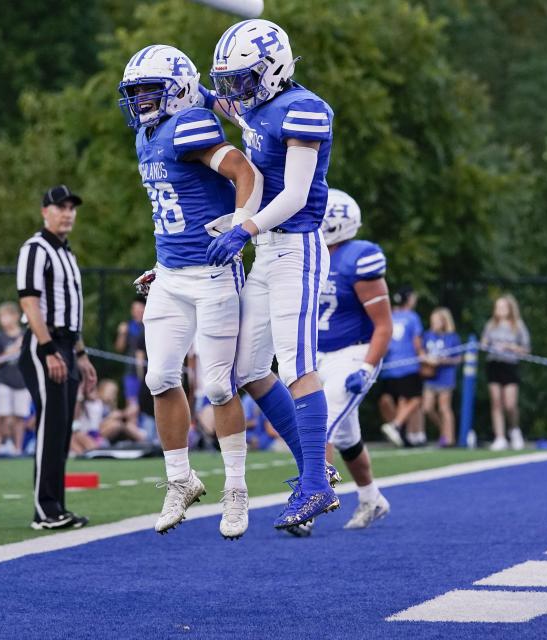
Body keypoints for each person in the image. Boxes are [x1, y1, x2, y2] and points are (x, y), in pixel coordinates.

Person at [118, 45, 261, 539]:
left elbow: (244, 171)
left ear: (177, 90)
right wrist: (162, 264)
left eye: (148, 90)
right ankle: (181, 479)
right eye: (134, 92)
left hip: (214, 272)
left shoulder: (188, 125)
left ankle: (238, 490)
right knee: (159, 377)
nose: (139, 101)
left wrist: (240, 229)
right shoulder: (146, 133)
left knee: (219, 385)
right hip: (170, 275)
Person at [206, 19, 341, 529]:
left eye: (244, 77)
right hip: (268, 250)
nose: (236, 89)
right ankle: (315, 471)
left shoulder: (303, 109)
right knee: (247, 368)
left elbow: (297, 195)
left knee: (298, 363)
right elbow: (228, 106)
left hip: (298, 248)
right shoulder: (258, 102)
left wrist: (245, 227)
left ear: (275, 68)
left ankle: (313, 486)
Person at [16, 184, 97, 531]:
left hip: (66, 345)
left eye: (71, 208)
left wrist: (80, 353)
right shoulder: (35, 249)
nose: (67, 213)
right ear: (44, 211)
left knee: (62, 429)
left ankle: (56, 506)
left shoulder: (67, 253)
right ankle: (45, 510)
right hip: (44, 345)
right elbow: (29, 301)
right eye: (59, 207)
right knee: (51, 426)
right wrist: (48, 349)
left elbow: (71, 310)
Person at [315, 188, 393, 530]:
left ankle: (313, 502)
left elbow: (384, 325)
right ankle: (371, 499)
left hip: (353, 354)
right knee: (346, 438)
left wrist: (365, 367)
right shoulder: (310, 254)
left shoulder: (359, 258)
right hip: (318, 355)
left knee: (319, 424)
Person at [480, 294, 531, 451]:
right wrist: (487, 344)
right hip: (494, 364)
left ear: (510, 308)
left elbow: (526, 349)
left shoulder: (518, 325)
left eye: (503, 307)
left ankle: (515, 431)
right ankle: (500, 437)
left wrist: (510, 347)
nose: (500, 310)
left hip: (510, 366)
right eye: (498, 307)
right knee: (496, 402)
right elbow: (484, 343)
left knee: (510, 404)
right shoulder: (490, 325)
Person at [377, 287, 425, 447]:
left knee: (393, 400)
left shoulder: (389, 316)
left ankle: (400, 434)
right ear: (409, 299)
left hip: (389, 366)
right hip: (408, 365)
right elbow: (416, 342)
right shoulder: (412, 317)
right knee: (414, 399)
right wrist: (423, 356)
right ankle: (395, 426)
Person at [0, 301, 31, 454]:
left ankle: (17, 448)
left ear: (15, 316)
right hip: (4, 381)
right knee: (2, 414)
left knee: (19, 417)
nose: (1, 319)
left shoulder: (25, 335)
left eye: (4, 316)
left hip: (22, 381)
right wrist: (10, 351)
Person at [422, 308, 462, 447]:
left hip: (445, 376)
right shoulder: (427, 335)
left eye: (437, 320)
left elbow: (458, 359)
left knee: (444, 408)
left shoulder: (452, 337)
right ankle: (443, 431)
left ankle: (449, 438)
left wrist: (444, 360)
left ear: (444, 321)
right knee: (427, 408)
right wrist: (427, 359)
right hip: (431, 376)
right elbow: (421, 352)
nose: (434, 323)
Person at [114, 297, 146, 414]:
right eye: (134, 309)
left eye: (139, 308)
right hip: (131, 372)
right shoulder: (128, 326)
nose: (137, 311)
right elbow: (119, 348)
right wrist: (122, 334)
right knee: (131, 404)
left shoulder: (149, 325)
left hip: (148, 371)